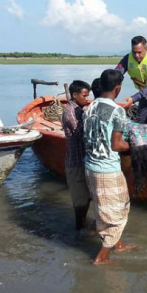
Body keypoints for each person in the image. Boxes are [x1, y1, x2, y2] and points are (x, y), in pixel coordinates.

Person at [83, 69, 138, 265]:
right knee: (119, 212)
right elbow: (116, 145)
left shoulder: (89, 107)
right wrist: (135, 147)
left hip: (90, 167)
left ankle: (119, 244)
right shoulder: (117, 111)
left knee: (103, 208)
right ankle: (101, 257)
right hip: (107, 169)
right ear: (118, 88)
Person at [61, 80, 91, 231]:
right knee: (80, 201)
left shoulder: (79, 109)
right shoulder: (70, 112)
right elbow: (81, 133)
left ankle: (82, 226)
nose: (87, 99)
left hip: (83, 161)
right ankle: (79, 230)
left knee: (87, 198)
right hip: (76, 162)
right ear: (74, 95)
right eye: (84, 96)